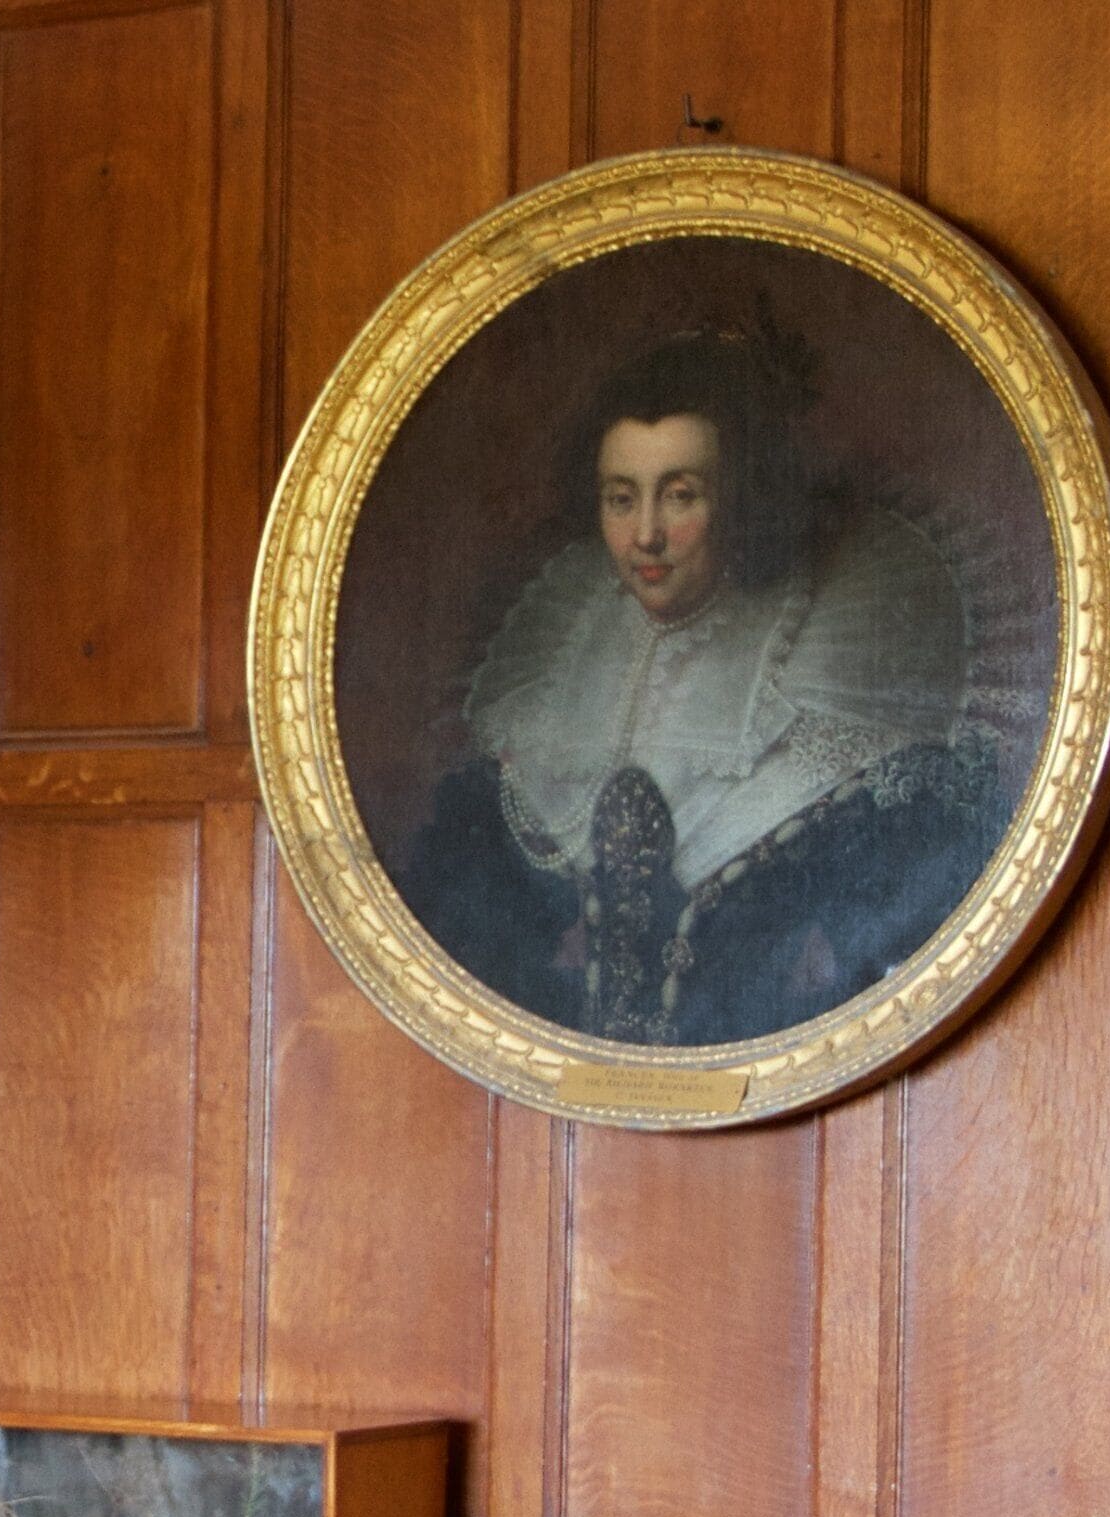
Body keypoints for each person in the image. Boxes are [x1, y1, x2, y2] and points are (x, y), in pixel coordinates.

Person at [397, 329, 996, 1046]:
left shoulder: (833, 673)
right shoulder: (557, 664)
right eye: (621, 499)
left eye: (679, 496)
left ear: (741, 500)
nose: (646, 534)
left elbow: (877, 960)